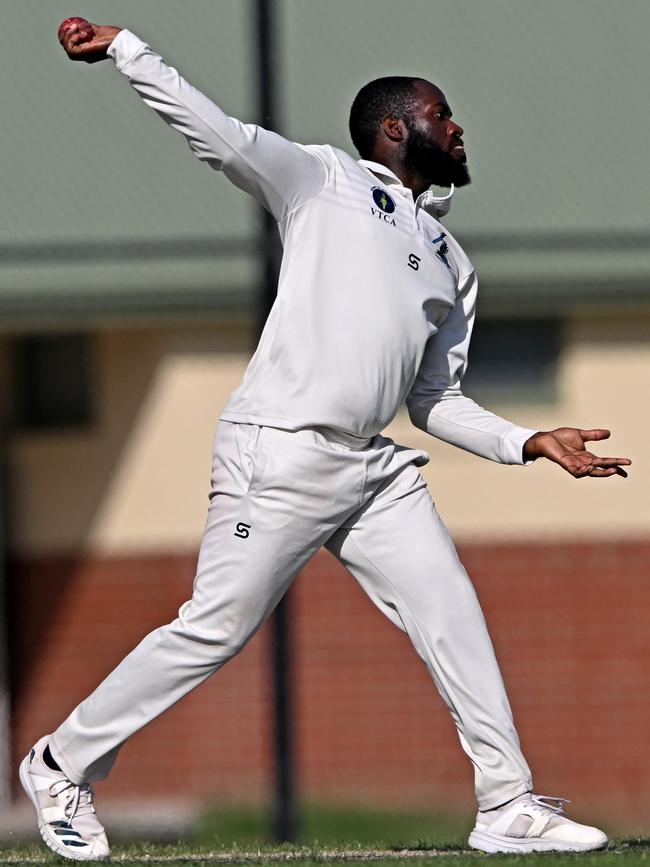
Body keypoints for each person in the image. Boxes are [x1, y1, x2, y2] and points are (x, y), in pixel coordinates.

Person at [20, 20, 631, 861]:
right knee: (216, 627)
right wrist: (130, 51)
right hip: (278, 448)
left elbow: (435, 400)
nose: (457, 129)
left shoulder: (451, 259)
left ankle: (508, 804)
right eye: (442, 115)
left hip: (373, 468)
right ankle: (60, 761)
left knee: (453, 613)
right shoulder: (323, 179)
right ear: (394, 129)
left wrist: (528, 441)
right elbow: (218, 134)